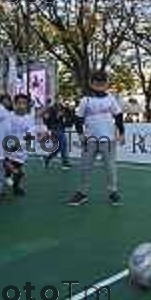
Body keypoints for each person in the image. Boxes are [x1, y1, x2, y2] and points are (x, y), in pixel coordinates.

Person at [68, 71, 125, 207]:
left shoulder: (111, 99)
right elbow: (78, 118)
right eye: (96, 81)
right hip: (90, 139)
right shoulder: (85, 100)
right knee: (85, 167)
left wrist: (122, 132)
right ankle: (82, 193)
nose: (100, 84)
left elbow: (118, 116)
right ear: (91, 83)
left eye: (102, 82)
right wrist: (81, 134)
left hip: (108, 139)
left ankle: (113, 192)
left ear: (106, 83)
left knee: (110, 167)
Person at [4, 94, 37, 196]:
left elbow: (31, 132)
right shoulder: (8, 116)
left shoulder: (29, 118)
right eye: (19, 103)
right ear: (14, 104)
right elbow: (5, 130)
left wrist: (23, 142)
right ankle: (6, 180)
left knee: (18, 167)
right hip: (8, 146)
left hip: (21, 148)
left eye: (24, 103)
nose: (21, 106)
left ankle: (15, 185)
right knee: (12, 168)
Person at [43, 98, 72, 170]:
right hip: (55, 128)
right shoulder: (51, 109)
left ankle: (48, 158)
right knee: (63, 143)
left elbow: (69, 116)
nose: (60, 101)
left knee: (59, 147)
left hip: (61, 128)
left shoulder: (63, 108)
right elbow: (46, 119)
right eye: (58, 99)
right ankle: (65, 162)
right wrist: (50, 125)